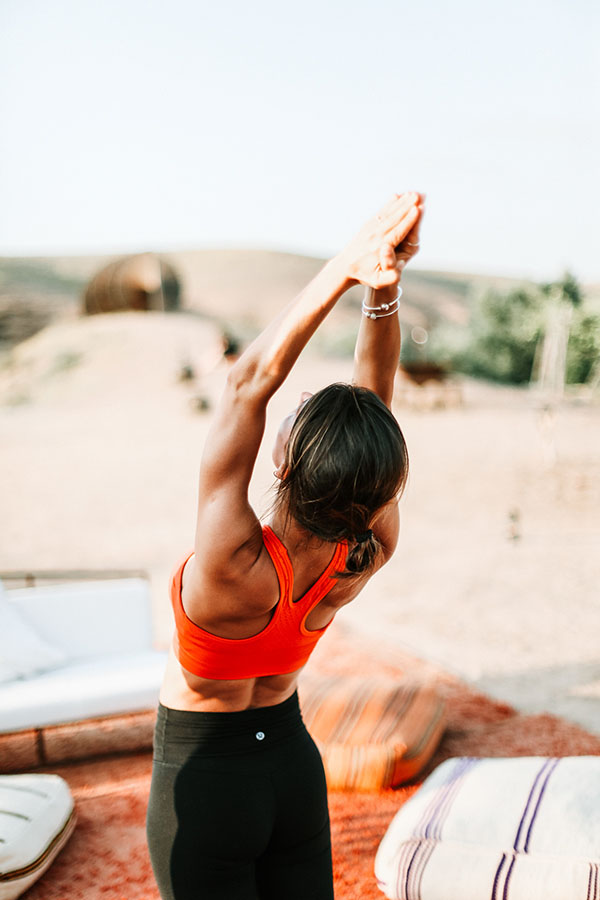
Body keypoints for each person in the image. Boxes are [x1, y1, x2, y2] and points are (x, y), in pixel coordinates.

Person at [146, 192, 425, 900]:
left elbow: (246, 385)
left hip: (206, 782)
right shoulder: (366, 548)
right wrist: (383, 295)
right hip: (295, 772)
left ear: (281, 459)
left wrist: (345, 267)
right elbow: (374, 423)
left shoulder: (232, 563)